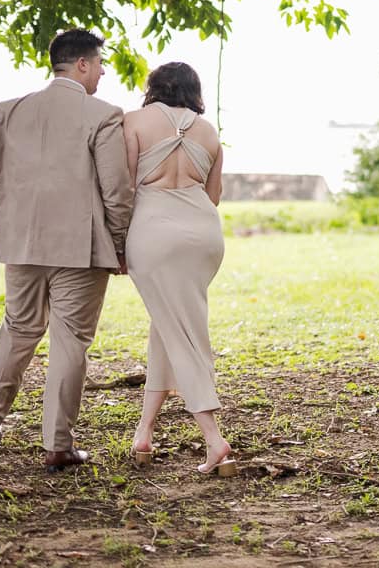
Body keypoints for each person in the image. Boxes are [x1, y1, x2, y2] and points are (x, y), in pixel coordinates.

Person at [0, 29, 134, 472]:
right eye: (99, 63)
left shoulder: (10, 111)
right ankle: (58, 444)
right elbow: (116, 191)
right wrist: (119, 244)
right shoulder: (103, 114)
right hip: (81, 248)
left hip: (23, 244)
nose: (101, 71)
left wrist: (4, 223)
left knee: (17, 329)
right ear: (81, 64)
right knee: (70, 340)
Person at [122, 61, 231, 474]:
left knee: (181, 332)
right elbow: (214, 194)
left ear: (153, 88)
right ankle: (144, 431)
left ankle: (214, 440)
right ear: (194, 90)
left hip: (154, 232)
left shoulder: (134, 121)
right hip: (204, 236)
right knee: (168, 326)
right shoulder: (209, 132)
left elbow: (125, 186)